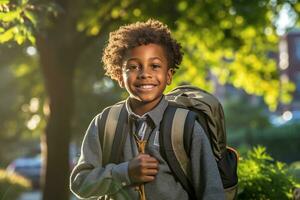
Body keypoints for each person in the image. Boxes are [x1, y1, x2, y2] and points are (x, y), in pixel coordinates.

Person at [70, 19, 225, 200]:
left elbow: (212, 192)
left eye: (155, 66)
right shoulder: (105, 123)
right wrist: (125, 172)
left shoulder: (185, 126)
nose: (145, 74)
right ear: (120, 76)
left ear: (168, 75)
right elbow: (80, 183)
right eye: (133, 67)